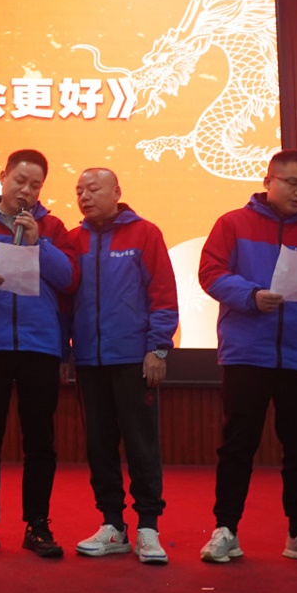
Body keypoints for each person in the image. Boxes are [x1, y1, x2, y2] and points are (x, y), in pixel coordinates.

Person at [198, 149, 297, 567]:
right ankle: (226, 529)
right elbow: (210, 273)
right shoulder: (233, 223)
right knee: (237, 445)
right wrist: (250, 296)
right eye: (292, 183)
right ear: (269, 182)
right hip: (248, 351)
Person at [0, 149, 79, 558]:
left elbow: (68, 278)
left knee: (40, 439)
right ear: (2, 176)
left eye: (35, 185)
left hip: (40, 344)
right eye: (20, 181)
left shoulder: (52, 227)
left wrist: (41, 243)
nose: (26, 190)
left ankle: (37, 525)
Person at [63, 168, 178, 564]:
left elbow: (163, 294)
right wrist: (65, 353)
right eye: (79, 190)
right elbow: (65, 302)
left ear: (117, 191)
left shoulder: (145, 234)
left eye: (93, 189)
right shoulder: (72, 240)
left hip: (134, 359)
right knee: (99, 445)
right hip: (89, 360)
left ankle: (148, 527)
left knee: (141, 444)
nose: (84, 196)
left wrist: (158, 349)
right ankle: (112, 525)